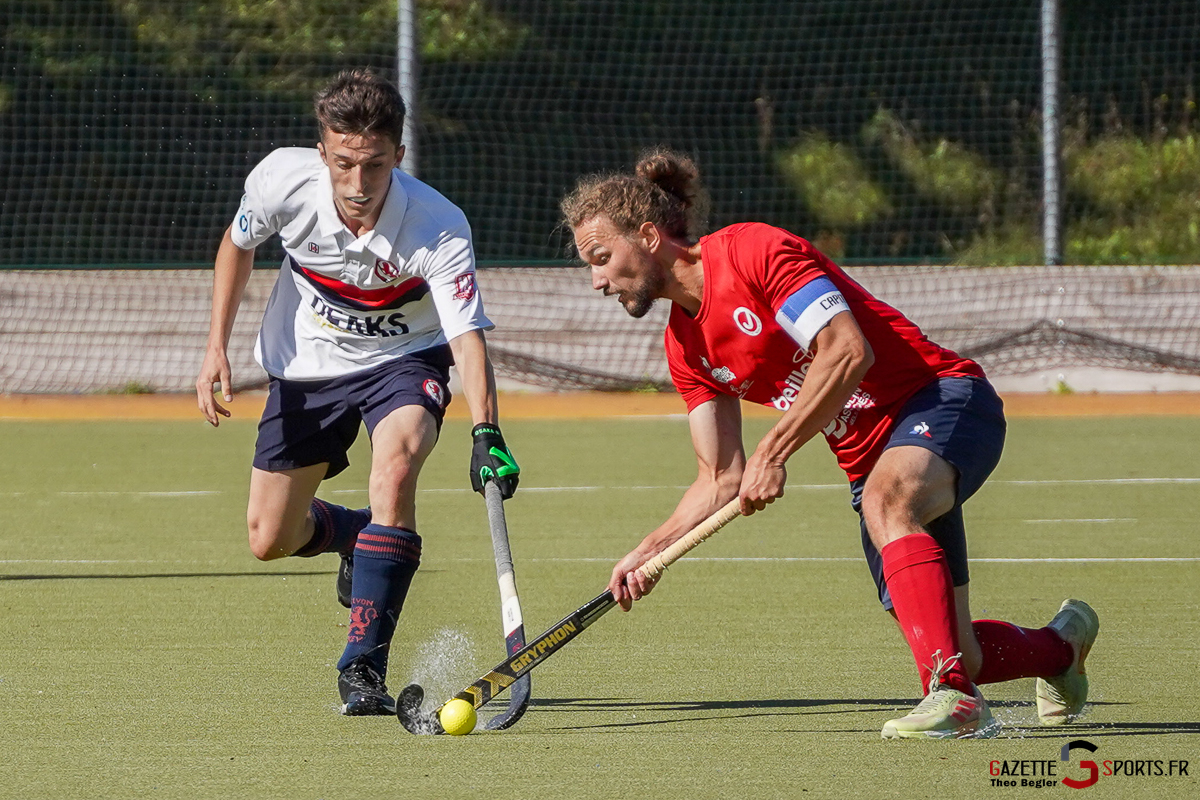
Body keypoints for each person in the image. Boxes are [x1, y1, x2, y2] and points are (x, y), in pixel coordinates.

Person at [560, 148, 1099, 740]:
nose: (597, 281)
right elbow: (720, 477)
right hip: (872, 460)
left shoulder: (752, 253)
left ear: (648, 235)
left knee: (889, 504)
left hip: (940, 399)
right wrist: (649, 550)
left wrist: (775, 451)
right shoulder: (687, 350)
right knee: (960, 647)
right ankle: (1059, 649)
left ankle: (952, 699)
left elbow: (847, 350)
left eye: (602, 258)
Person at [195, 69, 519, 716]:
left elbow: (466, 337)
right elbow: (237, 245)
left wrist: (487, 431)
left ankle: (363, 666)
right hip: (305, 363)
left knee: (396, 466)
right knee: (269, 538)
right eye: (343, 163)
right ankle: (359, 538)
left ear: (398, 156)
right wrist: (215, 347)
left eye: (373, 166)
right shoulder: (282, 180)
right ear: (322, 151)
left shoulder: (438, 225)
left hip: (403, 360)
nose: (357, 184)